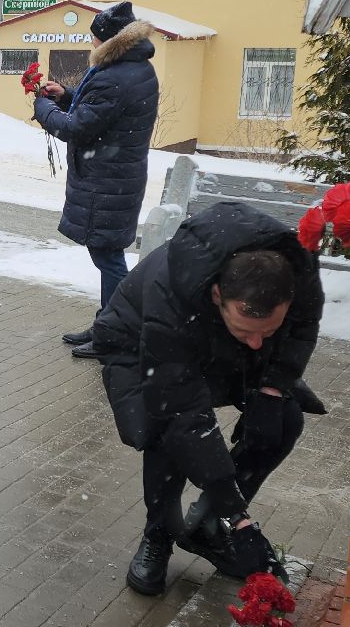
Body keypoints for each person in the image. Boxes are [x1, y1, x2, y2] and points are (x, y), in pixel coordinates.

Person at [93, 202, 324, 596]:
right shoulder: (170, 295)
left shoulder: (295, 269)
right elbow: (183, 413)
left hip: (215, 342)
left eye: (268, 331)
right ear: (218, 294)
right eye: (248, 329)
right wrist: (241, 516)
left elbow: (302, 327)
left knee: (284, 419)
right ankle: (160, 535)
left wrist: (271, 389)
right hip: (136, 346)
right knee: (165, 435)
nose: (258, 342)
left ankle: (207, 526)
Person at [32, 0, 159, 361]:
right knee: (107, 253)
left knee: (108, 257)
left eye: (94, 39)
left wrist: (44, 109)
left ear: (109, 41)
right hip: (115, 177)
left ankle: (117, 332)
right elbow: (102, 114)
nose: (91, 45)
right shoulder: (133, 68)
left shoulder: (116, 77)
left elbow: (76, 127)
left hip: (107, 181)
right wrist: (68, 95)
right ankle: (108, 323)